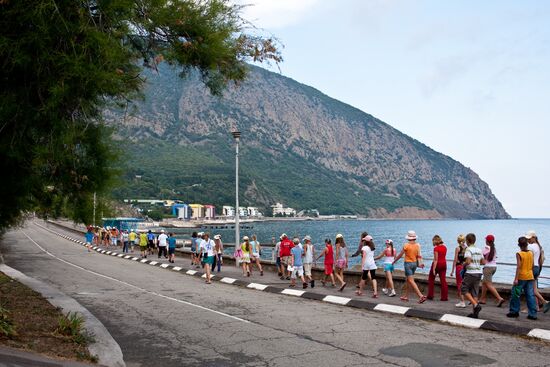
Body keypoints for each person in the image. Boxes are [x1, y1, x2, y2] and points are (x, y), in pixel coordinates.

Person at [507, 236, 537, 319]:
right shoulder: (531, 253)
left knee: (515, 294)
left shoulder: (519, 254)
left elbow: (519, 267)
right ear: (527, 244)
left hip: (521, 277)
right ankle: (533, 314)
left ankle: (514, 311)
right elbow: (533, 265)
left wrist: (516, 278)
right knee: (530, 295)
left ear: (519, 245)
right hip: (530, 276)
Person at [393, 230, 427, 303]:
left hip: (408, 264)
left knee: (411, 280)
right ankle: (406, 296)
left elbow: (400, 255)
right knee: (408, 280)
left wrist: (394, 261)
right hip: (414, 264)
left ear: (408, 238)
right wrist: (420, 263)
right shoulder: (417, 245)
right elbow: (418, 256)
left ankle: (421, 296)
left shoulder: (406, 245)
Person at [461, 233, 485, 319]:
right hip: (478, 272)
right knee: (475, 292)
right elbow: (483, 262)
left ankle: (476, 305)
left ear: (467, 241)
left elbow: (468, 261)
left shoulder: (468, 250)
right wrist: (476, 261)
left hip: (471, 272)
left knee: (464, 289)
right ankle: (475, 313)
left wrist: (463, 264)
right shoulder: (479, 250)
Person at [526, 230, 550, 313]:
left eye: (529, 238)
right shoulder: (539, 246)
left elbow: (528, 258)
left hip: (531, 268)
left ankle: (534, 306)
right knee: (534, 289)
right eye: (527, 238)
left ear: (534, 238)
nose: (528, 240)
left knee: (529, 289)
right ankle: (539, 305)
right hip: (537, 268)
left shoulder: (531, 247)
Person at [479, 234, 505, 307]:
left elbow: (481, 258)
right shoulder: (494, 248)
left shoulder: (486, 249)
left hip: (488, 268)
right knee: (484, 283)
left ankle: (499, 298)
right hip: (494, 267)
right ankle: (482, 299)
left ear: (487, 241)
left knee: (488, 284)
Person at [427, 235, 448, 301]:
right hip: (444, 264)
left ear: (435, 241)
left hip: (437, 264)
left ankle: (430, 295)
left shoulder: (436, 248)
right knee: (443, 281)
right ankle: (444, 297)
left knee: (431, 279)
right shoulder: (445, 247)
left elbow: (436, 259)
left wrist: (433, 269)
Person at [450, 234, 468, 308]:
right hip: (465, 267)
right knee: (464, 284)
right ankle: (464, 300)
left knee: (459, 284)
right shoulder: (467, 248)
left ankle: (462, 301)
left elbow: (455, 260)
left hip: (459, 267)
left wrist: (452, 271)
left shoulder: (457, 248)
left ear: (458, 241)